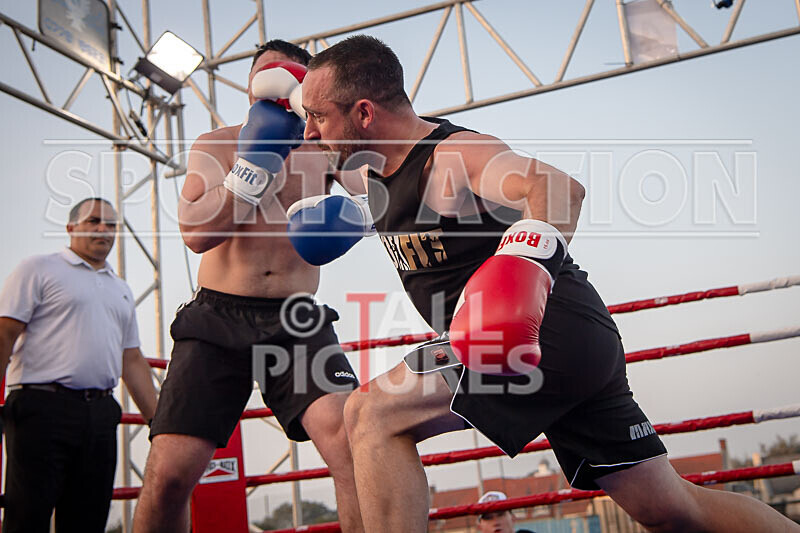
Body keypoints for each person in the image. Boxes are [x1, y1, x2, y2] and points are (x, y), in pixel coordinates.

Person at [297, 35, 800, 532]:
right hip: (558, 344)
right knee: (669, 508)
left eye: (318, 117)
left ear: (364, 113)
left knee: (371, 413)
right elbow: (309, 164)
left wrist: (522, 269)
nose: (309, 134)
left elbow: (557, 188)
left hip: (544, 336)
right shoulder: (368, 173)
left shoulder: (455, 155)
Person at [133, 40, 363, 533]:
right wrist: (251, 171)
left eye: (294, 79)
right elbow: (195, 233)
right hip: (217, 317)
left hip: (297, 318)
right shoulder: (215, 144)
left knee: (354, 446)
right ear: (252, 84)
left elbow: (385, 192)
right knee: (170, 476)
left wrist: (357, 215)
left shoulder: (325, 149)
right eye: (270, 75)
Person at [0, 197, 158, 533]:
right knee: (27, 516)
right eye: (94, 221)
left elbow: (131, 360)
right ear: (71, 228)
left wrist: (160, 425)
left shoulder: (122, 289)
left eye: (111, 224)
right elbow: (5, 334)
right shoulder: (38, 268)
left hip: (100, 413)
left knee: (88, 519)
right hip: (40, 408)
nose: (104, 229)